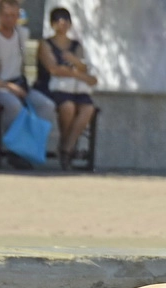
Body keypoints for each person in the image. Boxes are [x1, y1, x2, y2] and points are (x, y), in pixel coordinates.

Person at [0, 0, 56, 169]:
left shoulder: (22, 34)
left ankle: (27, 148)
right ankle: (13, 150)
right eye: (6, 15)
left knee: (46, 105)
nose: (10, 19)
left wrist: (19, 86)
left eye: (14, 15)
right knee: (14, 106)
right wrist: (9, 87)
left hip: (20, 84)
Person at [33, 6, 97, 170]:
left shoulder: (76, 45)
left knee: (88, 108)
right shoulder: (45, 44)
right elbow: (54, 69)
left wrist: (74, 63)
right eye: (58, 19)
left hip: (75, 88)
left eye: (66, 19)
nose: (62, 22)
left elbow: (84, 67)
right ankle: (66, 148)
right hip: (51, 87)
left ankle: (66, 147)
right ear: (52, 23)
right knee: (67, 107)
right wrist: (77, 73)